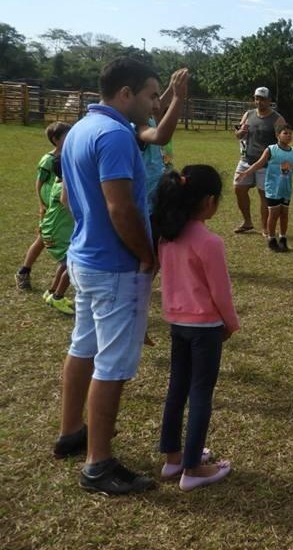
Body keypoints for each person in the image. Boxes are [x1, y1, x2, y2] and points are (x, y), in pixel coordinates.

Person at [53, 57, 159, 494]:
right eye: (152, 95)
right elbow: (120, 207)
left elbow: (76, 201)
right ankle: (98, 464)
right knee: (112, 365)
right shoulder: (116, 135)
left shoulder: (79, 129)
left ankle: (70, 432)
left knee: (83, 347)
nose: (155, 105)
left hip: (85, 259)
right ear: (126, 94)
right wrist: (147, 255)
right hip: (115, 268)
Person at [154, 165, 239, 492]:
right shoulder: (209, 241)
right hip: (205, 328)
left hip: (177, 325)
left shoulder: (167, 235)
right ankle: (192, 469)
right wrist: (231, 324)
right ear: (208, 201)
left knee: (177, 389)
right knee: (201, 392)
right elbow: (221, 292)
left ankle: (173, 458)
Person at [236, 122, 293, 252]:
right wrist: (246, 173)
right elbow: (259, 163)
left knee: (284, 214)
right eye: (285, 133)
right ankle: (272, 239)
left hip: (286, 189)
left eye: (290, 134)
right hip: (273, 189)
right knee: (274, 214)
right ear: (278, 135)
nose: (288, 136)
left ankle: (283, 239)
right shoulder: (271, 150)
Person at [16, 121, 71, 291]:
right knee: (41, 238)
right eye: (65, 136)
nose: (70, 138)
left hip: (58, 207)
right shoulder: (48, 159)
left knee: (43, 238)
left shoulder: (68, 156)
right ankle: (24, 271)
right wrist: (41, 205)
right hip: (50, 206)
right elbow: (38, 183)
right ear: (55, 139)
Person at [136, 67, 189, 216]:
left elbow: (158, 109)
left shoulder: (148, 118)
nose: (157, 103)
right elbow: (161, 137)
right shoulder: (137, 124)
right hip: (146, 201)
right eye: (151, 97)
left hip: (156, 194)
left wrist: (172, 87)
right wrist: (178, 97)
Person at [233, 86, 284, 235]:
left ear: (269, 101)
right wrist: (240, 132)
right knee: (238, 189)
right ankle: (247, 222)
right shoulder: (248, 115)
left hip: (267, 164)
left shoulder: (277, 119)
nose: (259, 102)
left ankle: (265, 227)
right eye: (257, 98)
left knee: (264, 195)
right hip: (245, 160)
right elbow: (238, 135)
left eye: (262, 99)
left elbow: (284, 139)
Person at [40, 155, 75, 315]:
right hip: (57, 233)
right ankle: (58, 297)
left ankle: (52, 292)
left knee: (64, 262)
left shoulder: (57, 182)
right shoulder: (65, 188)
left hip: (51, 230)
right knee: (72, 263)